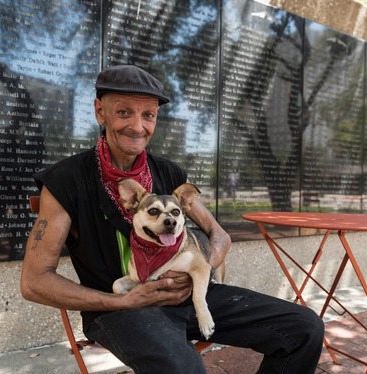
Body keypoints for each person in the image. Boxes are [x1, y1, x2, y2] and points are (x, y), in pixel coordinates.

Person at [20, 64, 324, 373]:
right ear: (100, 112)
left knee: (305, 328)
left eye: (148, 115)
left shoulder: (168, 173)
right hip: (119, 309)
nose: (137, 126)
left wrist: (193, 274)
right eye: (124, 112)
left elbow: (220, 235)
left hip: (188, 297)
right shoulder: (66, 180)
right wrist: (123, 302)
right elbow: (34, 282)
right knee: (184, 369)